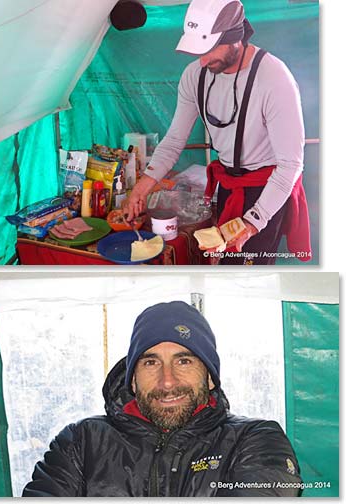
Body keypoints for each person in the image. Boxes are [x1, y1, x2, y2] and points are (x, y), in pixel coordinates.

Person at [23, 301, 302, 497]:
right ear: (133, 378)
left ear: (210, 377)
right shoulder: (82, 441)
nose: (167, 381)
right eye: (150, 363)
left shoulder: (255, 439)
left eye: (183, 361)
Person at [123, 0, 311, 265]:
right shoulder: (194, 76)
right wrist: (142, 187)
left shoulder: (274, 78)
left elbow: (290, 164)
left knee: (249, 270)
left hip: (268, 186)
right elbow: (175, 140)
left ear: (236, 37)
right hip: (228, 183)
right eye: (197, 51)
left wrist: (253, 221)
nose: (202, 59)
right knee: (221, 261)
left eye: (209, 49)